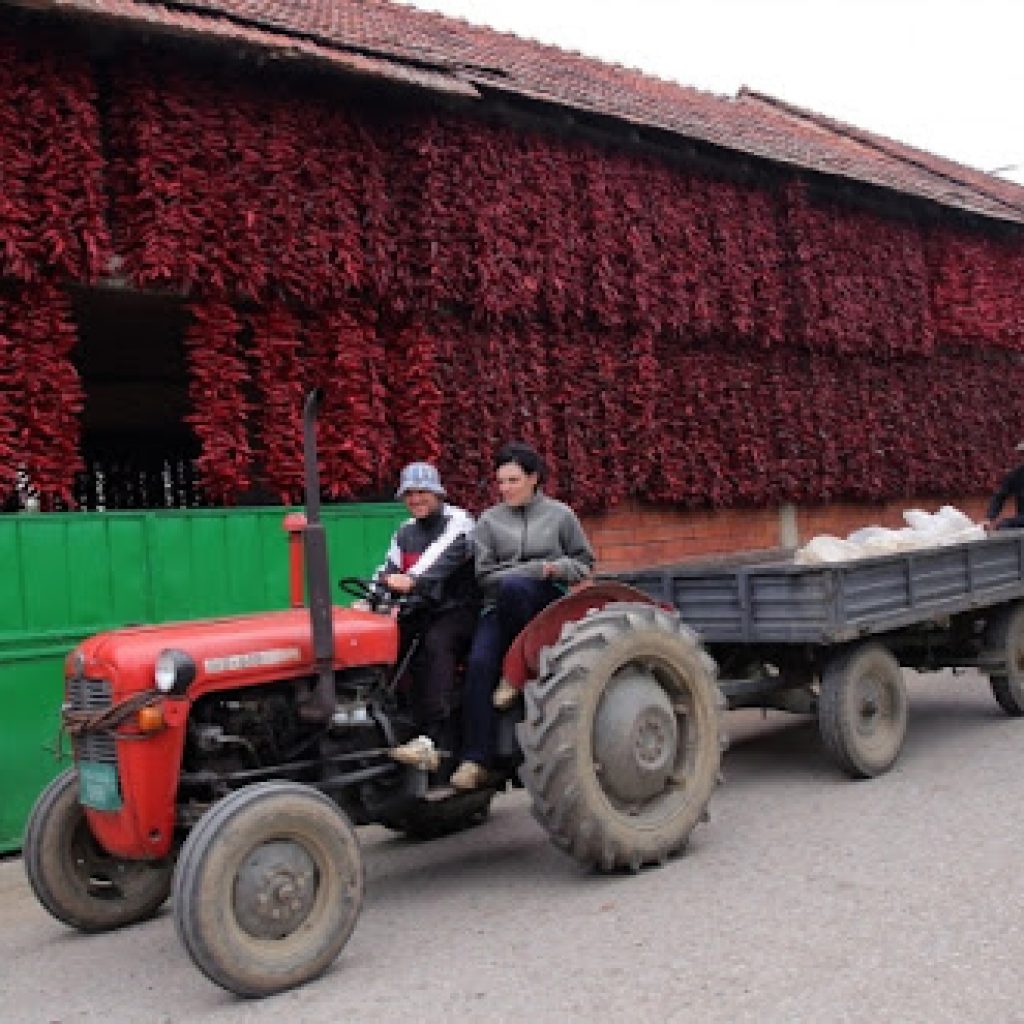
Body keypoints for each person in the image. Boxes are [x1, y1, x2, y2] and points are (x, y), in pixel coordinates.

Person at [450, 442, 595, 791]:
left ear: (534, 479)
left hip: (548, 603)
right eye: (501, 482)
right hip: (499, 605)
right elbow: (485, 576)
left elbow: (584, 564)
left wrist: (550, 569)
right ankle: (475, 760)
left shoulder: (561, 516)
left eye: (513, 480)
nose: (505, 489)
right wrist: (527, 570)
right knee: (480, 664)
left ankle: (514, 675)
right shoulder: (489, 521)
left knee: (518, 585)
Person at [376, 462, 479, 772]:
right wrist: (372, 597)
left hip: (459, 609)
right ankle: (387, 722)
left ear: (437, 493)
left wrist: (412, 579)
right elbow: (386, 571)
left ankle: (435, 738)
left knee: (435, 644)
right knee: (387, 644)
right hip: (421, 609)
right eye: (409, 494)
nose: (415, 499)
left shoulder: (458, 521)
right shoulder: (405, 532)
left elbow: (437, 559)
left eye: (422, 492)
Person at [983, 441, 1024, 531]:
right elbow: (1000, 496)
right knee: (1003, 527)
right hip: (1021, 521)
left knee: (1005, 525)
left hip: (1020, 521)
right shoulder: (1016, 475)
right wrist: (990, 518)